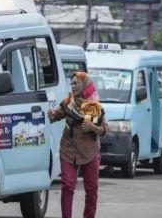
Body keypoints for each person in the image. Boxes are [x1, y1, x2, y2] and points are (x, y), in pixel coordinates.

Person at [48, 72, 108, 218]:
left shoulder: (94, 105)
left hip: (90, 152)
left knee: (92, 190)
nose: (73, 86)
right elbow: (56, 116)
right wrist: (52, 115)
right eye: (72, 83)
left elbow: (105, 129)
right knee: (67, 187)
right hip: (68, 150)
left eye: (76, 83)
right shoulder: (69, 102)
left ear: (84, 84)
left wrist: (93, 128)